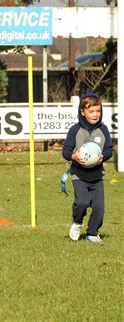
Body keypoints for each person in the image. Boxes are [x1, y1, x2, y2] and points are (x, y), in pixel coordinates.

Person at [62, 93, 113, 243]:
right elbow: (65, 152)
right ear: (82, 112)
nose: (95, 114)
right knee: (82, 202)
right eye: (91, 111)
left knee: (99, 207)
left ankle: (92, 233)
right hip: (79, 175)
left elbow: (109, 149)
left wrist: (103, 156)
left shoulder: (103, 130)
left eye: (98, 111)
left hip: (97, 176)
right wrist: (74, 156)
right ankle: (77, 222)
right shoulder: (75, 130)